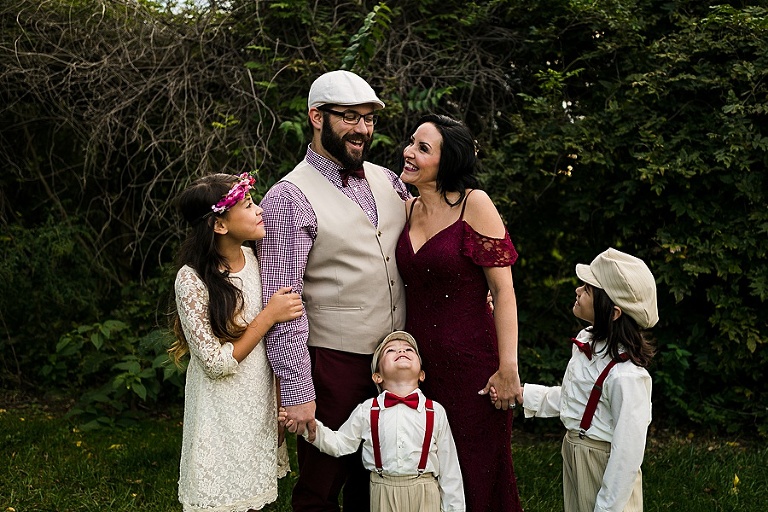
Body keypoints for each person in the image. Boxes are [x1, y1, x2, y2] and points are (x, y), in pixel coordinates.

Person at [258, 70, 410, 511]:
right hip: (331, 364)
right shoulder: (288, 197)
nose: (362, 129)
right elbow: (282, 305)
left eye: (369, 119)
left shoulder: (390, 180)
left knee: (381, 480)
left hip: (395, 362)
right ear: (316, 117)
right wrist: (298, 390)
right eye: (349, 117)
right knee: (321, 488)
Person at [395, 114, 524, 511]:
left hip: (472, 365)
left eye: (422, 148)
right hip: (417, 366)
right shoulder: (405, 208)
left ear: (448, 162)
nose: (408, 152)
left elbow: (503, 292)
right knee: (425, 471)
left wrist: (508, 367)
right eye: (412, 142)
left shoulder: (475, 204)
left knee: (475, 471)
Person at [168, 173, 304, 512]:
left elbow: (271, 346)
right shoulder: (192, 278)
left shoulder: (259, 262)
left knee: (256, 500)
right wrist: (267, 316)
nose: (259, 210)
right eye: (248, 205)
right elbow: (214, 363)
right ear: (219, 225)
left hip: (258, 406)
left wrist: (279, 407)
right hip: (219, 414)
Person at [520, 248, 658, 512]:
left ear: (613, 312)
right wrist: (525, 395)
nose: (577, 291)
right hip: (574, 452)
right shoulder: (587, 342)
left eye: (587, 289)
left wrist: (608, 506)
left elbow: (627, 452)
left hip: (603, 464)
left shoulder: (627, 376)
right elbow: (578, 400)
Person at [280, 331, 466, 512]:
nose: (401, 351)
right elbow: (341, 444)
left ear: (422, 375)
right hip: (382, 491)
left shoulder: (435, 412)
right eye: (390, 350)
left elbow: (450, 468)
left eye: (409, 350)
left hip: (425, 492)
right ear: (377, 377)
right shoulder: (368, 410)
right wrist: (311, 431)